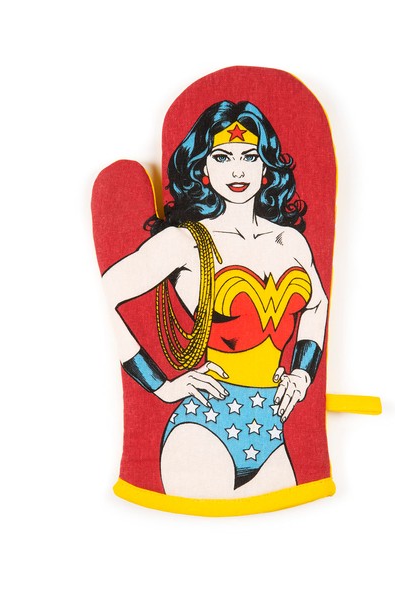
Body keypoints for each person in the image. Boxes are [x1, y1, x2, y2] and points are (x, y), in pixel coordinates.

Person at [101, 100, 328, 499]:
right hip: (204, 425)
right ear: (202, 168)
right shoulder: (184, 241)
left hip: (271, 424)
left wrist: (302, 373)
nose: (237, 171)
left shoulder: (291, 242)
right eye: (222, 157)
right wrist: (160, 386)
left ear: (266, 166)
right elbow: (105, 295)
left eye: (249, 157)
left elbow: (316, 304)